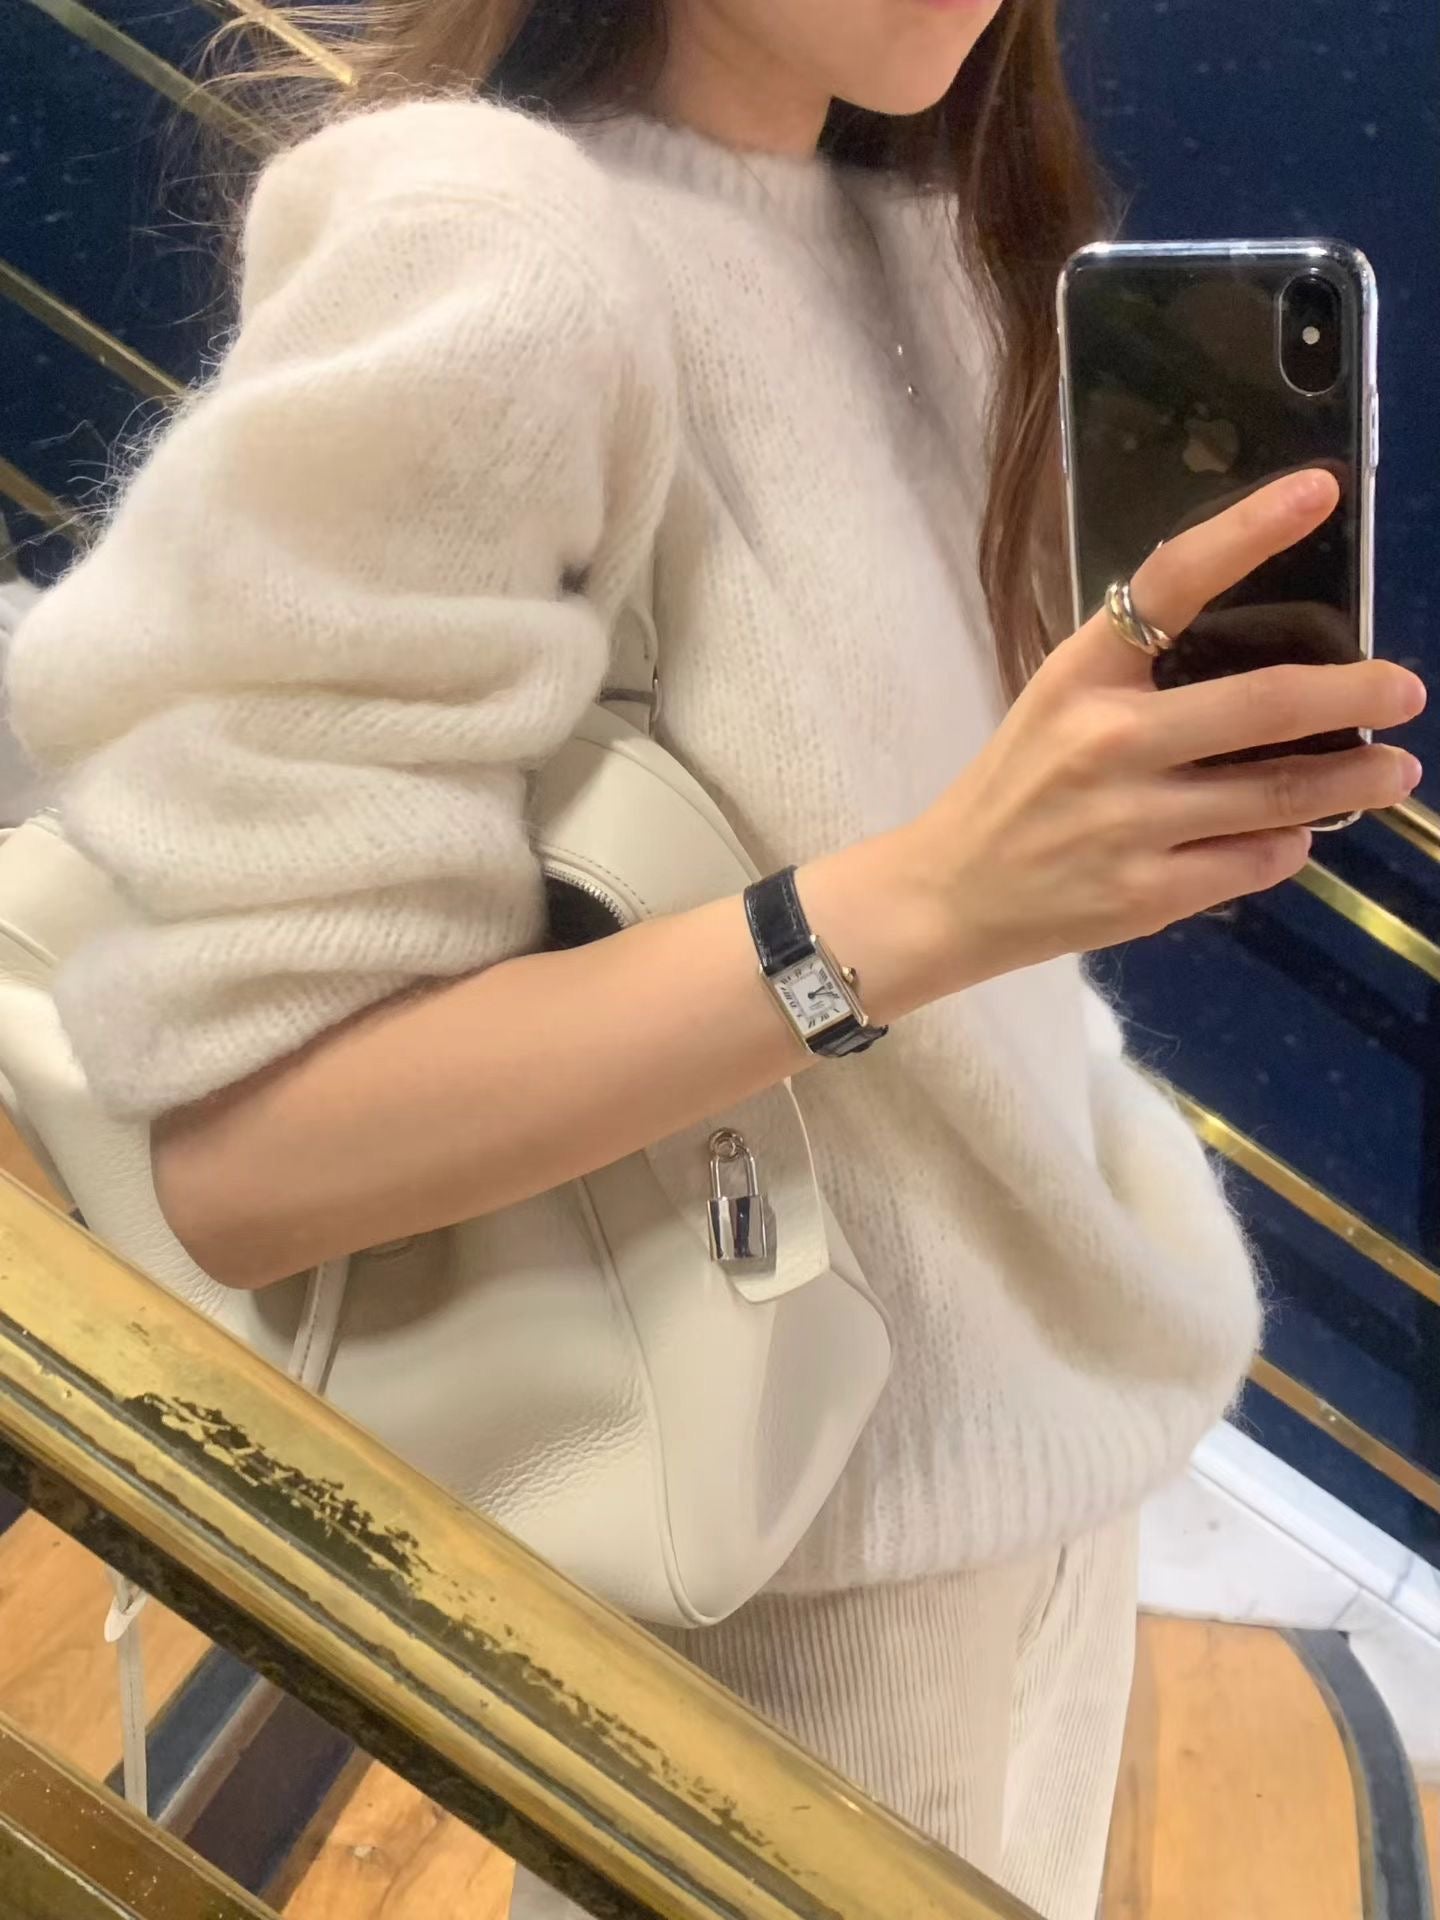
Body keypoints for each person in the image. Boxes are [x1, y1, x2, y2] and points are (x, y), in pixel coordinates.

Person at [7, 3, 1425, 1914]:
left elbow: (938, 914)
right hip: (789, 1565)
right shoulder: (493, 241)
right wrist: (919, 908)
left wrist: (1057, 867)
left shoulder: (928, 238)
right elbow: (252, 1155)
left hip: (1050, 1483)